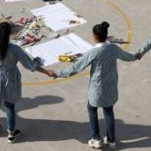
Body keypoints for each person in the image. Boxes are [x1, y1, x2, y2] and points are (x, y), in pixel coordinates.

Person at [56, 22, 137, 150]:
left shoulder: (93, 52)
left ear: (94, 36)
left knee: (92, 108)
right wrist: (136, 56)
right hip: (110, 86)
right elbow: (127, 57)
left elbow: (76, 67)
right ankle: (111, 141)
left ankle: (96, 139)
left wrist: (58, 73)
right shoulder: (113, 48)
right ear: (106, 35)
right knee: (108, 110)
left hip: (97, 88)